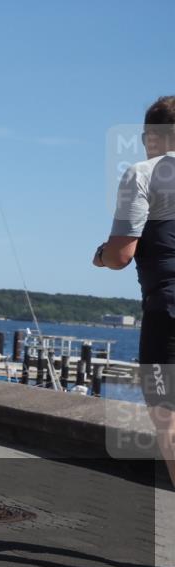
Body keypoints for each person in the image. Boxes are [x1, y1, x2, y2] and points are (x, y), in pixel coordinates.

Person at [94, 95, 175, 486]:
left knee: (169, 421)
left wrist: (100, 256)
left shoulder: (142, 174)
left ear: (151, 137)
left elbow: (122, 254)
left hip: (168, 312)